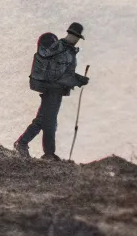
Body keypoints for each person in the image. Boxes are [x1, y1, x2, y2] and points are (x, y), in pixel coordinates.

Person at [14, 22, 88, 162]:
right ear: (72, 35)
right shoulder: (61, 49)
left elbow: (65, 73)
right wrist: (78, 80)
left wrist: (78, 79)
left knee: (43, 120)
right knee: (49, 122)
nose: (77, 39)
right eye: (77, 36)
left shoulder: (67, 50)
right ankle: (46, 153)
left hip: (55, 89)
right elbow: (58, 75)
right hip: (53, 89)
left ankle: (24, 144)